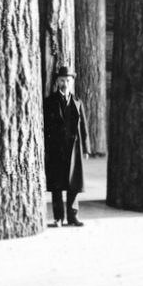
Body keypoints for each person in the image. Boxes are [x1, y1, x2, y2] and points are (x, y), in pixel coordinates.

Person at [43, 64, 89, 228]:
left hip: (74, 149)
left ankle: (73, 216)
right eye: (61, 80)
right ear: (57, 82)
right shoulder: (49, 102)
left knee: (73, 184)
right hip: (56, 149)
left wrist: (86, 147)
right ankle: (58, 218)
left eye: (67, 80)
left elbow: (83, 126)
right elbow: (45, 126)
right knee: (56, 185)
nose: (64, 83)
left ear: (71, 82)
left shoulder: (77, 102)